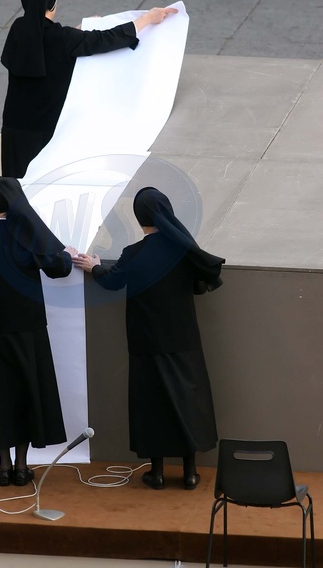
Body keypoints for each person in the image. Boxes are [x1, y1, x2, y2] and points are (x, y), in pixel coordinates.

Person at [72, 187, 224, 490]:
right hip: (184, 341)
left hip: (146, 342)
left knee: (152, 405)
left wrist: (95, 267)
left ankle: (157, 472)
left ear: (139, 217)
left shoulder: (134, 253)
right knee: (187, 403)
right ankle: (190, 472)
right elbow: (199, 284)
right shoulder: (182, 251)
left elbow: (113, 281)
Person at [0, 0, 177, 178]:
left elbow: (46, 42)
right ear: (52, 6)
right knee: (41, 182)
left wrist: (78, 31)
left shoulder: (18, 29)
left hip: (13, 124)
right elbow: (105, 39)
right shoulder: (63, 39)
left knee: (12, 182)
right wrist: (147, 18)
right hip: (47, 125)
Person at [0, 175, 78, 486]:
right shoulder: (29, 237)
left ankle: (3, 466)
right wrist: (65, 253)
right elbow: (59, 268)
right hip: (27, 328)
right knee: (26, 391)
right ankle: (21, 464)